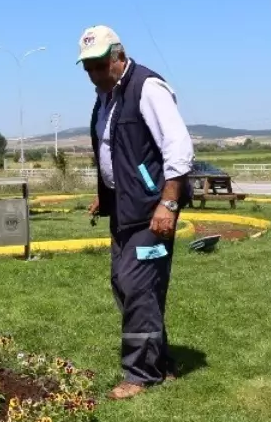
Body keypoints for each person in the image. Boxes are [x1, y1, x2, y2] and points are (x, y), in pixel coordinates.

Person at [78, 25, 194, 400]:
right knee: (125, 284)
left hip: (151, 211)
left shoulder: (147, 88)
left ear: (118, 57)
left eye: (98, 65)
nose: (93, 73)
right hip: (125, 210)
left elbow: (179, 148)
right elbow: (117, 153)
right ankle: (160, 363)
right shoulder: (106, 97)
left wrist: (169, 202)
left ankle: (141, 374)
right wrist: (107, 195)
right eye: (87, 67)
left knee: (138, 286)